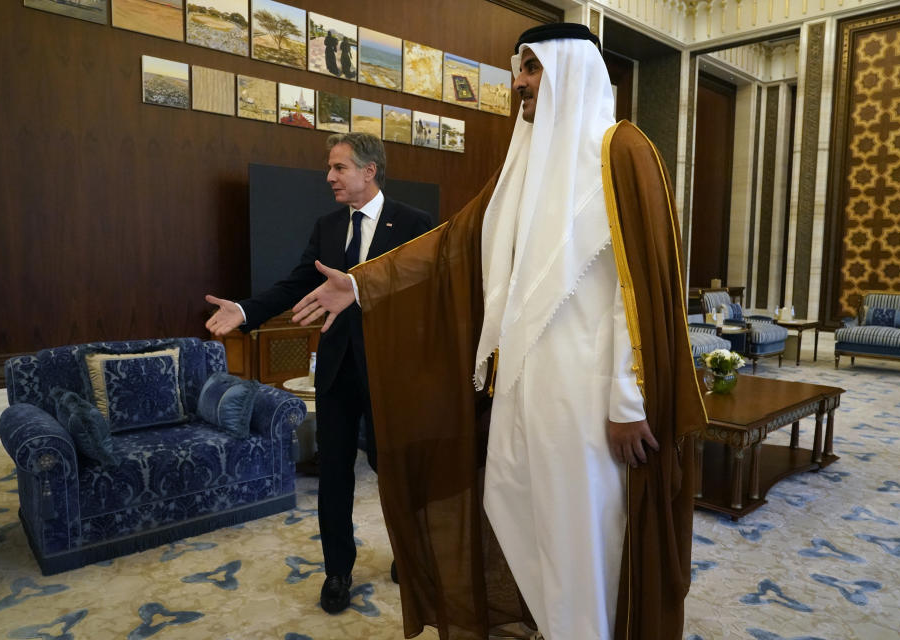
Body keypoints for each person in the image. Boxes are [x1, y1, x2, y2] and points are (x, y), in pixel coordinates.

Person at [292, 24, 706, 640]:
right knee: (519, 517)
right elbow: (451, 245)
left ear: (572, 70)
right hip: (519, 387)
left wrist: (627, 399)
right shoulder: (523, 164)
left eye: (533, 68)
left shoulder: (621, 152)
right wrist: (361, 284)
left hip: (587, 399)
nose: (519, 83)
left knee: (579, 534)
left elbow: (636, 291)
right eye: (519, 68)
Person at [204, 132, 433, 615]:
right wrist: (246, 310)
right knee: (333, 475)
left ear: (369, 171)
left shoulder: (415, 224)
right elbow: (297, 283)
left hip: (392, 371)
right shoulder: (328, 227)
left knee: (396, 472)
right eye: (330, 169)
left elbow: (424, 295)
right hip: (335, 372)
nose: (329, 177)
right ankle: (338, 571)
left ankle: (409, 555)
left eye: (339, 168)